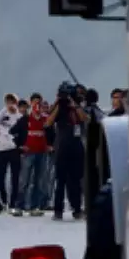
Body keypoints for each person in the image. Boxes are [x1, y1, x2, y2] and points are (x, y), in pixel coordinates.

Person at [47, 81, 88, 221]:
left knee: (75, 180)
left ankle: (77, 209)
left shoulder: (78, 106)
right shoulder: (59, 107)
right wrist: (58, 104)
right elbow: (48, 122)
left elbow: (84, 118)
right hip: (61, 148)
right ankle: (58, 210)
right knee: (60, 181)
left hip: (76, 147)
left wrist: (73, 104)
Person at [20, 92, 51, 216]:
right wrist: (21, 145)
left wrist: (49, 145)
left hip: (41, 152)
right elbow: (15, 131)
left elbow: (50, 131)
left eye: (39, 102)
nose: (37, 105)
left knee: (39, 180)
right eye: (34, 102)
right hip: (29, 152)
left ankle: (34, 206)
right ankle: (20, 205)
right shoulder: (26, 118)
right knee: (25, 180)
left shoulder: (45, 118)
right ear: (31, 103)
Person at [0, 93, 24, 215]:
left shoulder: (19, 116)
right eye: (8, 101)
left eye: (12, 101)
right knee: (0, 176)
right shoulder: (1, 114)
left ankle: (12, 203)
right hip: (2, 149)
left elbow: (23, 131)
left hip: (15, 149)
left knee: (15, 177)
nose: (10, 103)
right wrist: (5, 110)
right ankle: (4, 200)